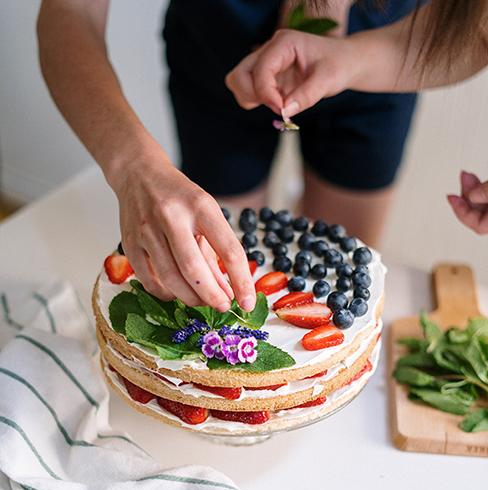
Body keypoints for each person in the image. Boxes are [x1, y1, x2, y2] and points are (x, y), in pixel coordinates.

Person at [37, 1, 488, 316]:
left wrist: (350, 58)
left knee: (342, 276)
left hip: (390, 57)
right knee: (221, 270)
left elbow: (477, 30)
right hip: (215, 54)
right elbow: (69, 11)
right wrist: (134, 166)